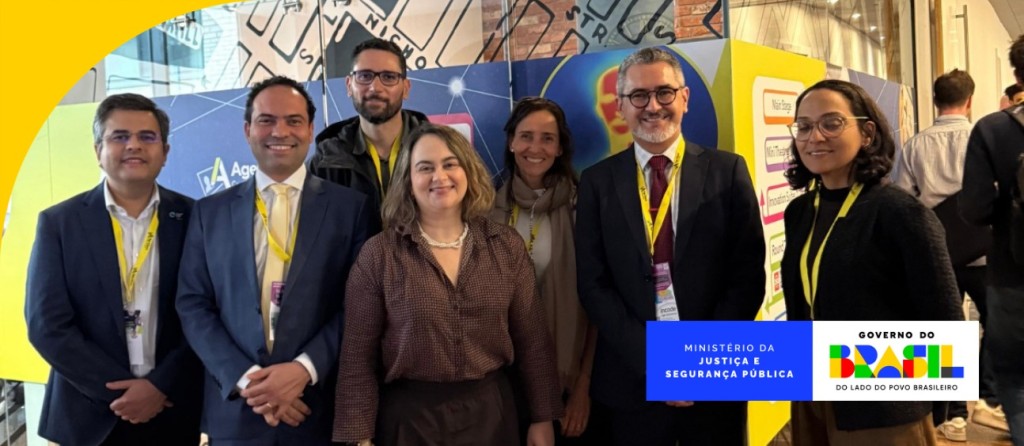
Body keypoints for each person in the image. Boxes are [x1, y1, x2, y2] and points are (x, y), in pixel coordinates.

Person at [574, 46, 766, 446]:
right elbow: (593, 284)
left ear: (685, 98)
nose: (653, 106)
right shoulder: (596, 182)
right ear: (621, 106)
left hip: (713, 380)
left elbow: (747, 277)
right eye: (638, 96)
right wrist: (656, 362)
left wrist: (696, 365)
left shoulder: (728, 171)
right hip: (632, 380)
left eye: (664, 92)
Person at [334, 124, 563, 446]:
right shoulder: (379, 255)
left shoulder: (505, 245)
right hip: (410, 423)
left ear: (467, 170)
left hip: (493, 417)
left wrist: (543, 418)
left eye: (450, 164)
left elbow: (533, 341)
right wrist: (359, 438)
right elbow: (357, 358)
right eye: (425, 168)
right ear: (407, 180)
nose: (439, 176)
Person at [176, 76, 370, 445]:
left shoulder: (350, 209)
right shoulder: (209, 213)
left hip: (315, 410)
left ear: (310, 130)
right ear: (247, 129)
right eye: (266, 120)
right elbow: (192, 304)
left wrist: (303, 369)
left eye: (293, 121)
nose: (280, 131)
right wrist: (249, 382)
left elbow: (359, 304)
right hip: (238, 411)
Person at [781, 79, 961, 445]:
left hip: (883, 404)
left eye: (831, 123)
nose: (814, 137)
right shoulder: (801, 211)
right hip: (813, 395)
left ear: (867, 133)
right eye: (804, 126)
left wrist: (942, 405)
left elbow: (943, 314)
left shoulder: (899, 212)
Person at [25, 93, 202, 445]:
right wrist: (122, 393)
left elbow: (207, 314)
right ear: (98, 150)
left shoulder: (196, 218)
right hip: (87, 415)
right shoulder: (60, 223)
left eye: (147, 137)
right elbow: (47, 325)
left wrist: (158, 386)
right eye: (120, 136)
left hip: (170, 409)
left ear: (165, 152)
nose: (134, 145)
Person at [892, 69, 1007, 439]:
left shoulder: (915, 146)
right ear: (970, 100)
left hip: (936, 253)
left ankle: (952, 416)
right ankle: (986, 398)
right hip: (984, 253)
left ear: (934, 100)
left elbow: (903, 199)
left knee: (941, 331)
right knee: (997, 321)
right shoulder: (985, 139)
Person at [488, 97, 604, 444]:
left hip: (567, 380)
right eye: (526, 136)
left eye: (547, 138)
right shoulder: (485, 210)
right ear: (511, 142)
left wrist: (583, 386)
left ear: (559, 148)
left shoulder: (582, 207)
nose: (535, 148)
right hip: (503, 381)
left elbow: (596, 305)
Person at [962, 34, 1024, 446]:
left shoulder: (993, 129)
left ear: (1017, 74)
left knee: (1016, 379)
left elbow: (974, 210)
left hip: (1012, 272)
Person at [309, 37, 429, 230]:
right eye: (364, 76)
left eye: (389, 77)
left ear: (406, 88)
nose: (375, 88)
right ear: (349, 85)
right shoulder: (326, 161)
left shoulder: (439, 149)